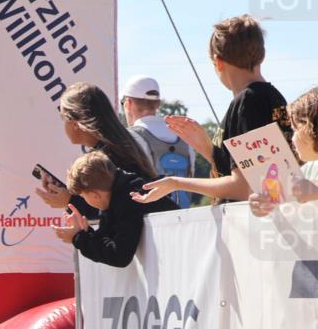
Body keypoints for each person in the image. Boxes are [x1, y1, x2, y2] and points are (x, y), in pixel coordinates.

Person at [135, 15, 293, 205]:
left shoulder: (248, 102)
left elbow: (247, 187)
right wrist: (209, 150)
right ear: (262, 55)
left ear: (218, 62)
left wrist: (176, 183)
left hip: (253, 227)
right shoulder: (274, 98)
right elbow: (270, 178)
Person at [37, 82, 156, 219]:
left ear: (75, 123)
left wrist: (70, 201)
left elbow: (116, 209)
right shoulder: (120, 147)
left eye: (63, 118)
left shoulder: (106, 158)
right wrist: (68, 196)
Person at [54, 151, 177, 267]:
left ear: (94, 196)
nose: (84, 200)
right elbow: (108, 238)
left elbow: (119, 256)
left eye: (82, 196)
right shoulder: (117, 193)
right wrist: (85, 232)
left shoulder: (130, 199)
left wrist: (78, 238)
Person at [120, 75, 195, 208]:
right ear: (158, 103)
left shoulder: (130, 137)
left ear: (128, 103)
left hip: (150, 223)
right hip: (185, 219)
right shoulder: (185, 136)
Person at [250, 86, 318, 217]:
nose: (292, 138)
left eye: (295, 129)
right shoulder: (306, 171)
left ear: (309, 129)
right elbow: (279, 199)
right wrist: (261, 204)